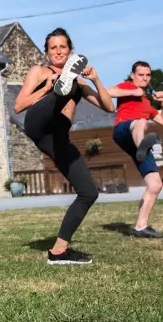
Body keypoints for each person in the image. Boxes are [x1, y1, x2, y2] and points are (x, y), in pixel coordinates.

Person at [14, 28, 114, 264]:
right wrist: (47, 87)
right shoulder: (39, 71)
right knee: (62, 88)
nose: (58, 51)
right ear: (47, 53)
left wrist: (95, 79)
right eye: (53, 48)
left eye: (63, 47)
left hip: (58, 137)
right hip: (39, 124)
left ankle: (59, 251)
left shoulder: (80, 82)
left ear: (70, 51)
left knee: (89, 193)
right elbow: (19, 106)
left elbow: (109, 107)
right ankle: (59, 89)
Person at [107, 61, 163, 238]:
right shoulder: (128, 86)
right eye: (141, 75)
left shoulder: (147, 104)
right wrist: (132, 92)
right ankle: (142, 144)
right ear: (133, 75)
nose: (144, 78)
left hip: (137, 139)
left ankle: (141, 227)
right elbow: (107, 92)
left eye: (147, 75)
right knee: (140, 122)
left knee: (155, 185)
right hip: (122, 130)